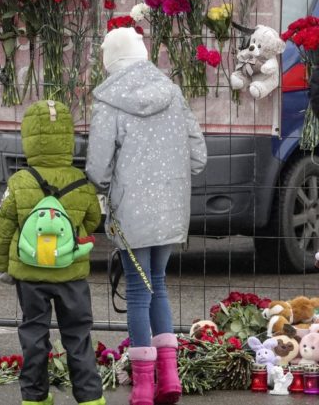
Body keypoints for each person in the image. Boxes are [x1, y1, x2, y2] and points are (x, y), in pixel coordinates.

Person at [85, 28, 207, 405]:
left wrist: (110, 186)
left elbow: (98, 169)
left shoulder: (108, 102)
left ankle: (141, 387)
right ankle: (169, 377)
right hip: (172, 209)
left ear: (110, 60)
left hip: (131, 212)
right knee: (158, 282)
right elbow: (198, 156)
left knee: (138, 293)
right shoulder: (172, 92)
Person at [0, 100, 106, 405]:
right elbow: (93, 219)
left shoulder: (20, 181)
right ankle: (90, 397)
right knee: (78, 335)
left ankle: (34, 397)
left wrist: (1, 266)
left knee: (34, 334)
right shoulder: (81, 183)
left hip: (30, 275)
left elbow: (2, 227)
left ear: (29, 138)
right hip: (72, 273)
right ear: (68, 139)